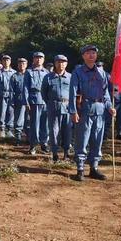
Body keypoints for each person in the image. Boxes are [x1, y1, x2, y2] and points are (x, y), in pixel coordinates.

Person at [69, 44, 115, 181]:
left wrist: (110, 107)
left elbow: (106, 93)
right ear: (83, 56)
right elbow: (72, 93)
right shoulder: (78, 72)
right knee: (82, 139)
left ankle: (94, 168)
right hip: (84, 109)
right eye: (88, 53)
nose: (91, 55)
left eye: (93, 53)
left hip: (100, 109)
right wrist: (73, 111)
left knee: (97, 139)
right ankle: (80, 169)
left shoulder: (102, 73)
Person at [42, 55, 72, 162]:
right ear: (55, 63)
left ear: (66, 64)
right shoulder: (48, 77)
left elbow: (74, 93)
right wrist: (51, 103)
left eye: (63, 62)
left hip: (67, 107)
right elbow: (44, 94)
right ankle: (55, 154)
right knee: (54, 131)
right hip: (53, 107)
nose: (61, 64)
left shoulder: (70, 77)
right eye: (59, 62)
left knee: (67, 131)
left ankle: (66, 153)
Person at [23, 51, 49, 155]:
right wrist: (26, 102)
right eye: (36, 58)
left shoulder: (47, 72)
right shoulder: (29, 72)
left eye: (41, 58)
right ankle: (33, 145)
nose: (38, 59)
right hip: (34, 99)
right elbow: (25, 87)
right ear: (33, 59)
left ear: (43, 60)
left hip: (45, 101)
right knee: (34, 124)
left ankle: (44, 144)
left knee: (45, 124)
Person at [10, 58, 28, 145]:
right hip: (19, 99)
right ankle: (18, 138)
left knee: (28, 120)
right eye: (20, 64)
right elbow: (11, 90)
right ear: (18, 65)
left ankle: (29, 138)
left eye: (24, 64)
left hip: (29, 100)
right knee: (18, 120)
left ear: (26, 65)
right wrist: (12, 101)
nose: (22, 65)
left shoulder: (29, 74)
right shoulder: (14, 76)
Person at [0, 55, 16, 138]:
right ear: (2, 62)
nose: (6, 62)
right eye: (4, 60)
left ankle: (10, 130)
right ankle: (2, 129)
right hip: (2, 94)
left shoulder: (14, 72)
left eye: (7, 60)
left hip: (11, 95)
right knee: (2, 112)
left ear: (10, 61)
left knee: (11, 112)